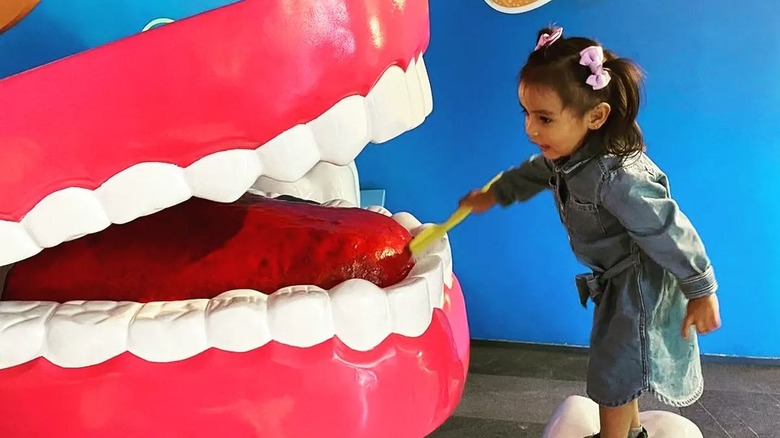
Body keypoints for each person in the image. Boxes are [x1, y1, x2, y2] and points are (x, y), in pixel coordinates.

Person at [459, 26, 722, 438]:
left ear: (595, 116)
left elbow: (669, 229)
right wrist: (496, 193)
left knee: (612, 373)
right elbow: (535, 172)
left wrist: (701, 289)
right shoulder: (568, 155)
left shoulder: (618, 178)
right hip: (616, 279)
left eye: (544, 118)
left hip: (638, 285)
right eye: (526, 113)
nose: (530, 129)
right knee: (621, 363)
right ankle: (631, 431)